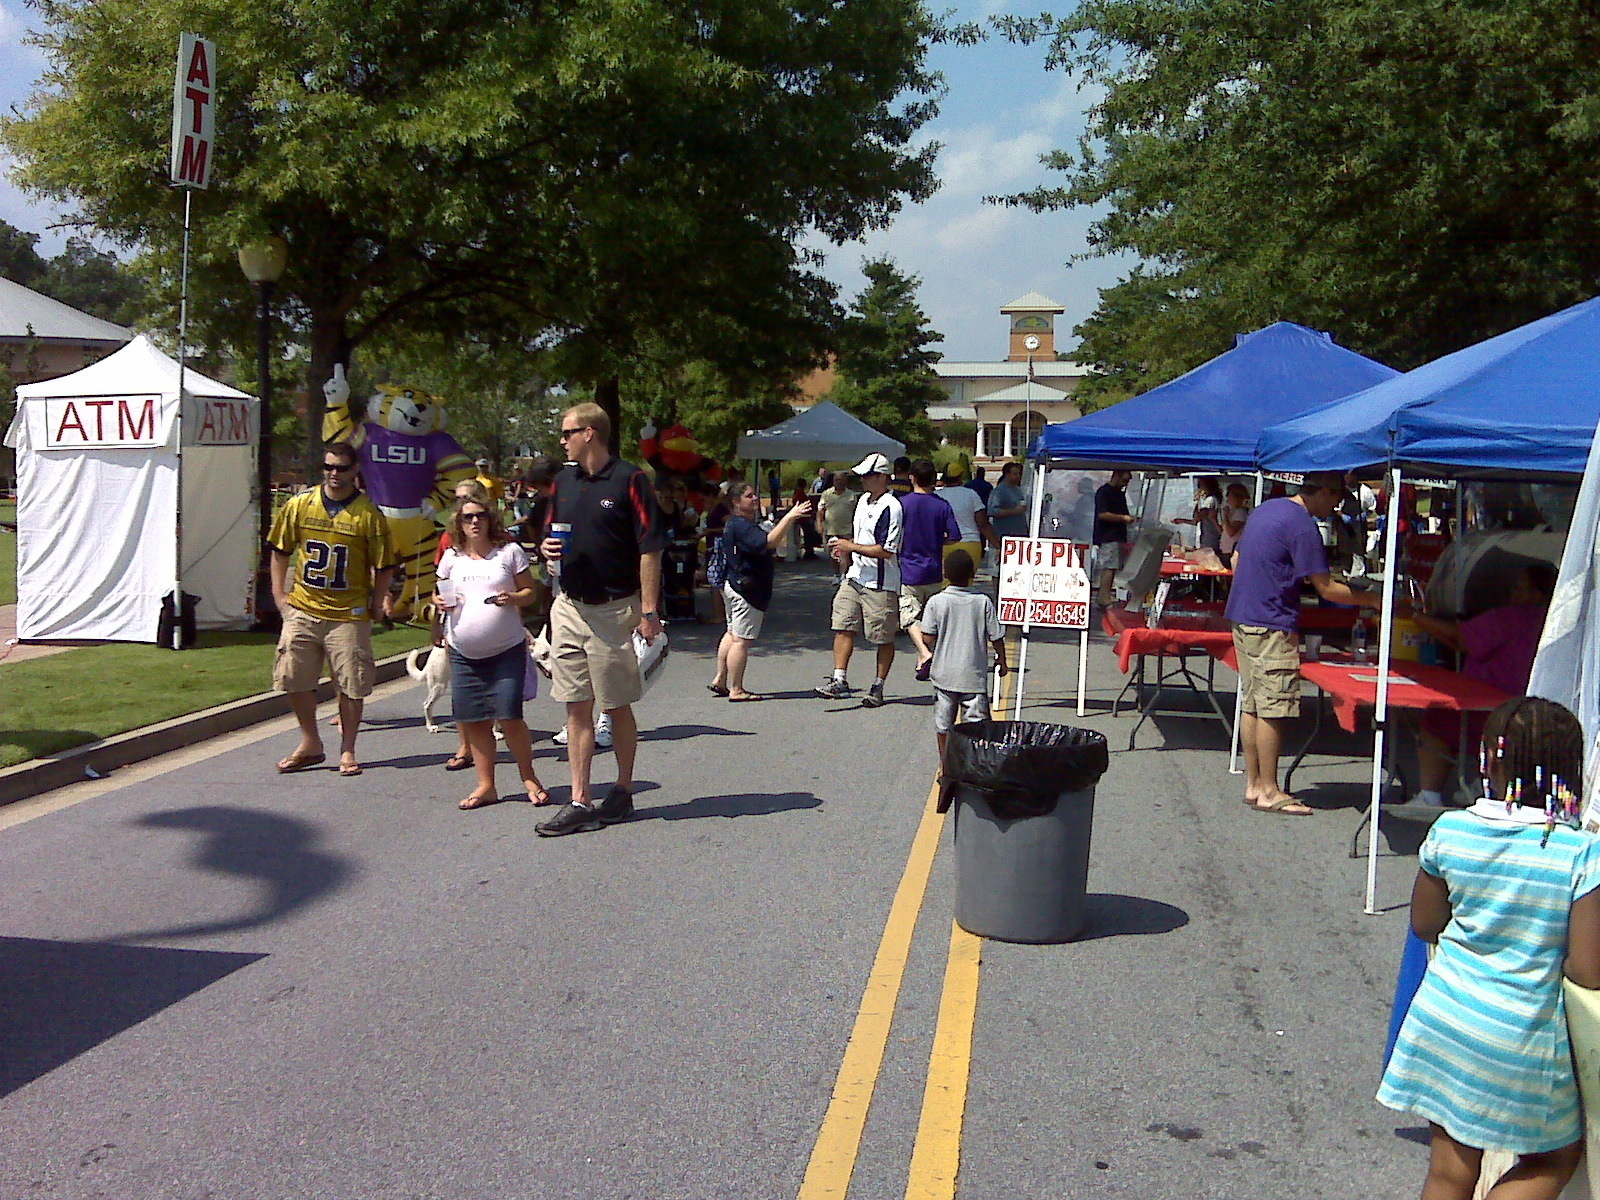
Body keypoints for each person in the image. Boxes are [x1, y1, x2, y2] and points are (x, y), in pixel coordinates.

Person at [1378, 697, 1600, 1200]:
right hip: (1520, 1037)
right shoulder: (1581, 853)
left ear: (1489, 762)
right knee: (1553, 1158)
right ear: (1571, 770)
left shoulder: (1451, 830)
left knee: (1449, 1173)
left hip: (1445, 1019)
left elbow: (1425, 924)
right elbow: (1588, 969)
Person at [536, 402, 666, 836]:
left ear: (589, 433)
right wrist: (545, 549)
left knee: (615, 703)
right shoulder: (563, 481)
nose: (562, 440)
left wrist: (649, 611)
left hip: (614, 610)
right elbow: (550, 532)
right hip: (569, 606)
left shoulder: (630, 479)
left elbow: (650, 547)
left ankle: (623, 789)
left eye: (567, 432)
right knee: (575, 706)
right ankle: (579, 800)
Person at [1225, 471, 1383, 815]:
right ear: (1323, 491)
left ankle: (1255, 784)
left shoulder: (1268, 508)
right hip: (1271, 621)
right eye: (1336, 498)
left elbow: (1236, 559)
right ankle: (1269, 790)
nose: (1337, 506)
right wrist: (1373, 599)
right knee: (1273, 706)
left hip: (1244, 614)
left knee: (1253, 703)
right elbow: (1327, 588)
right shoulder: (1301, 524)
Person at [268, 440, 396, 778]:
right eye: (328, 467)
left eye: (341, 468)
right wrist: (279, 596)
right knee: (293, 676)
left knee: (351, 682)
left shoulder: (368, 514)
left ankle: (348, 748)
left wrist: (377, 602)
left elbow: (384, 565)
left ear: (355, 470)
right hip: (303, 607)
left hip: (348, 613)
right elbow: (280, 550)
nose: (334, 474)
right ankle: (310, 741)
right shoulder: (300, 504)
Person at [1403, 563, 1556, 808]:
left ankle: (1430, 796)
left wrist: (1415, 617)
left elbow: (1460, 638)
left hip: (1491, 707)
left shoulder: (1510, 617)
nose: (1512, 593)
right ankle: (1482, 783)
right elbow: (1461, 642)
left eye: (1519, 588)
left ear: (1537, 595)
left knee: (1436, 720)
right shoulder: (1556, 622)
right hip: (1535, 706)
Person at [434, 497, 550, 810]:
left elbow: (530, 593)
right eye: (467, 517)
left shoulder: (509, 552)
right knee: (475, 720)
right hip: (463, 653)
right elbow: (439, 592)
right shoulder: (452, 557)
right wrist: (438, 603)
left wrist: (513, 597)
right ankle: (486, 785)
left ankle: (529, 777)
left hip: (506, 650)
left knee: (510, 717)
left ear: (490, 519)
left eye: (480, 516)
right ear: (459, 523)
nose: (474, 522)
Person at [708, 482, 814, 701]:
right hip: (746, 589)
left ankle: (721, 679)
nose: (755, 498)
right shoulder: (741, 525)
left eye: (755, 494)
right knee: (741, 640)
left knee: (732, 633)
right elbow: (769, 541)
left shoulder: (736, 523)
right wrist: (790, 516)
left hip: (734, 584)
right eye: (749, 496)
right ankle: (736, 689)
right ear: (736, 502)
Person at [815, 452, 902, 707]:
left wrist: (851, 547)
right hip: (855, 576)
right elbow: (862, 539)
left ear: (882, 477)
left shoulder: (892, 507)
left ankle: (878, 685)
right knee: (843, 623)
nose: (862, 480)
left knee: (882, 636)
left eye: (867, 476)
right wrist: (845, 548)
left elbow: (887, 550)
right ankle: (839, 679)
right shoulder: (863, 500)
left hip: (880, 582)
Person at [919, 550, 1006, 764]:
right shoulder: (983, 602)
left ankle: (946, 765)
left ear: (945, 574)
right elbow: (996, 636)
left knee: (943, 726)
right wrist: (1001, 660)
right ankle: (973, 766)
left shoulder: (936, 602)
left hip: (944, 676)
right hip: (973, 678)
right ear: (972, 574)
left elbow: (927, 637)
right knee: (976, 729)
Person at [899, 460, 961, 681]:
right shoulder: (942, 505)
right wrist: (938, 541)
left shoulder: (902, 504)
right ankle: (924, 658)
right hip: (934, 569)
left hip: (908, 569)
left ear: (912, 478)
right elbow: (955, 536)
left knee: (909, 616)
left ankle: (924, 653)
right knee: (932, 619)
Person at [936, 466, 994, 572]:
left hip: (944, 545)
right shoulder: (971, 494)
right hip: (970, 543)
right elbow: (982, 523)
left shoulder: (936, 496)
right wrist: (997, 544)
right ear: (960, 477)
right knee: (967, 580)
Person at [1091, 470, 1135, 607]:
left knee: (1113, 567)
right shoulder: (1104, 492)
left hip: (1118, 535)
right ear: (1116, 476)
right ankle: (1104, 597)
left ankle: (1104, 595)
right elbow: (1102, 514)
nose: (1124, 484)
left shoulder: (1119, 494)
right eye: (1124, 480)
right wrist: (1123, 518)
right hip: (1108, 536)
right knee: (1108, 567)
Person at [815, 472, 859, 580]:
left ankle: (845, 574)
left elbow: (856, 513)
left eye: (841, 480)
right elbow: (820, 511)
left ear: (846, 481)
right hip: (831, 530)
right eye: (836, 480)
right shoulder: (826, 494)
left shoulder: (852, 495)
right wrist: (819, 524)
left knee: (846, 554)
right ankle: (836, 574)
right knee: (833, 554)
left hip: (847, 530)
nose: (838, 482)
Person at [1174, 477, 1222, 554]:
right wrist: (1182, 521)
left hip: (1210, 539)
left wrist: (1197, 502)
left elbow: (1198, 517)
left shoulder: (1210, 500)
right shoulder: (1212, 499)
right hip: (1207, 539)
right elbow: (1195, 521)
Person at [987, 461, 1028, 539]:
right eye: (1015, 474)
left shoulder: (1018, 490)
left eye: (1019, 473)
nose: (1018, 476)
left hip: (1019, 534)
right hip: (1005, 535)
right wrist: (1014, 511)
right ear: (1007, 474)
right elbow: (992, 511)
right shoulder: (999, 491)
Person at [1218, 482, 1252, 568]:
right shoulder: (1232, 512)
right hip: (1225, 549)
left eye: (1229, 495)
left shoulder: (1240, 513)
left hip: (1231, 551)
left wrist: (1225, 516)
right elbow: (1224, 532)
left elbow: (1231, 532)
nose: (1227, 499)